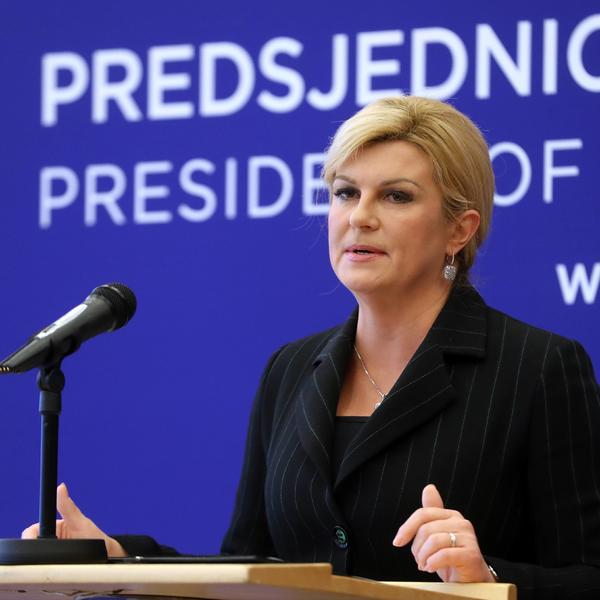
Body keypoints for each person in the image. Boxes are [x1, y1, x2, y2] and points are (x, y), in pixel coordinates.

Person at [23, 97, 600, 598]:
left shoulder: (538, 368)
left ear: (459, 229)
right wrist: (120, 560)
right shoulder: (292, 368)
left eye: (396, 197)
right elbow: (246, 567)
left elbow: (589, 575)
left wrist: (487, 576)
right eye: (345, 192)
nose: (360, 217)